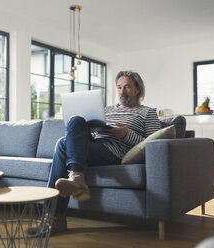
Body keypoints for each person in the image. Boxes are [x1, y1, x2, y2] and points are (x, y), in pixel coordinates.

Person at [30, 70, 161, 235]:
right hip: (94, 144)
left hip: (114, 152)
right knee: (75, 120)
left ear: (138, 89)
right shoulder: (106, 110)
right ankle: (76, 178)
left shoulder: (147, 113)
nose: (122, 91)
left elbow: (154, 144)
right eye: (119, 87)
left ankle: (54, 217)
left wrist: (126, 134)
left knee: (62, 145)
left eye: (127, 87)